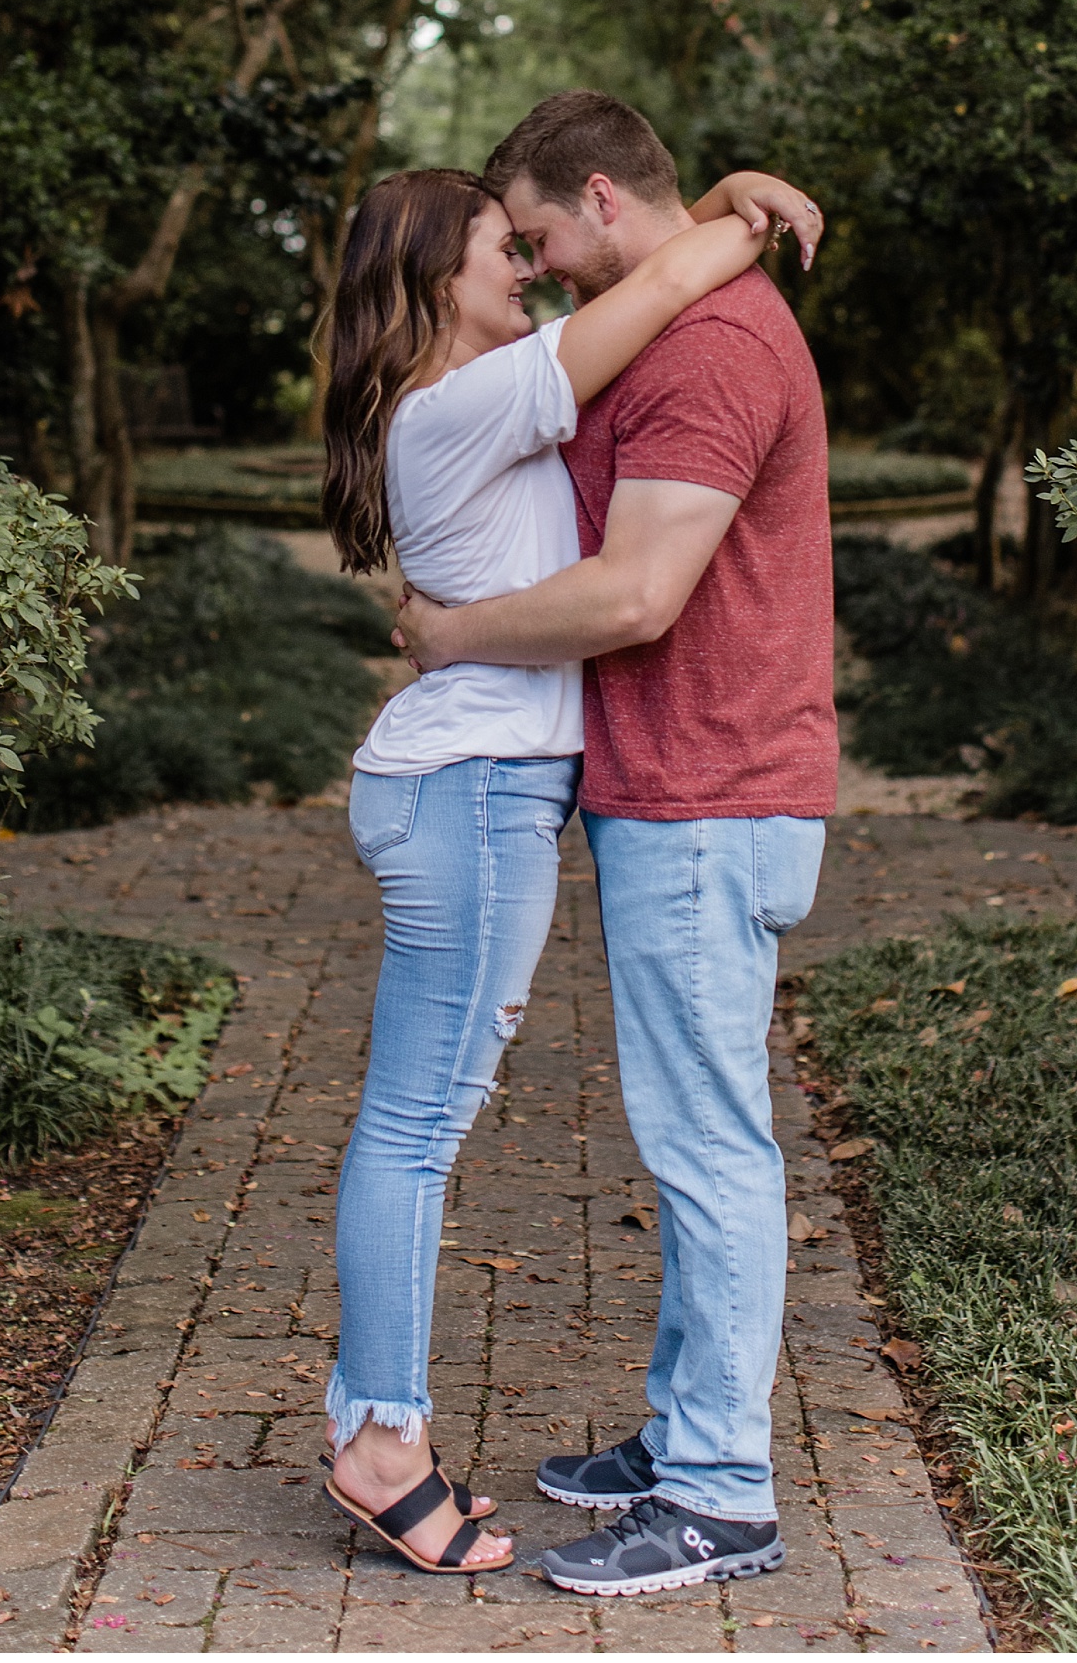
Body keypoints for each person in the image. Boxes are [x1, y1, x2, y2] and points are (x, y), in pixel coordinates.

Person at [318, 151, 821, 1577]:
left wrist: (708, 189)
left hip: (478, 791)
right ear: (431, 278)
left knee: (420, 1120)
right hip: (471, 792)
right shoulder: (467, 396)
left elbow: (642, 279)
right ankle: (380, 1438)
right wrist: (740, 211)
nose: (525, 269)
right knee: (416, 1127)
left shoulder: (473, 404)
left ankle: (393, 1425)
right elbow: (655, 272)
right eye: (499, 249)